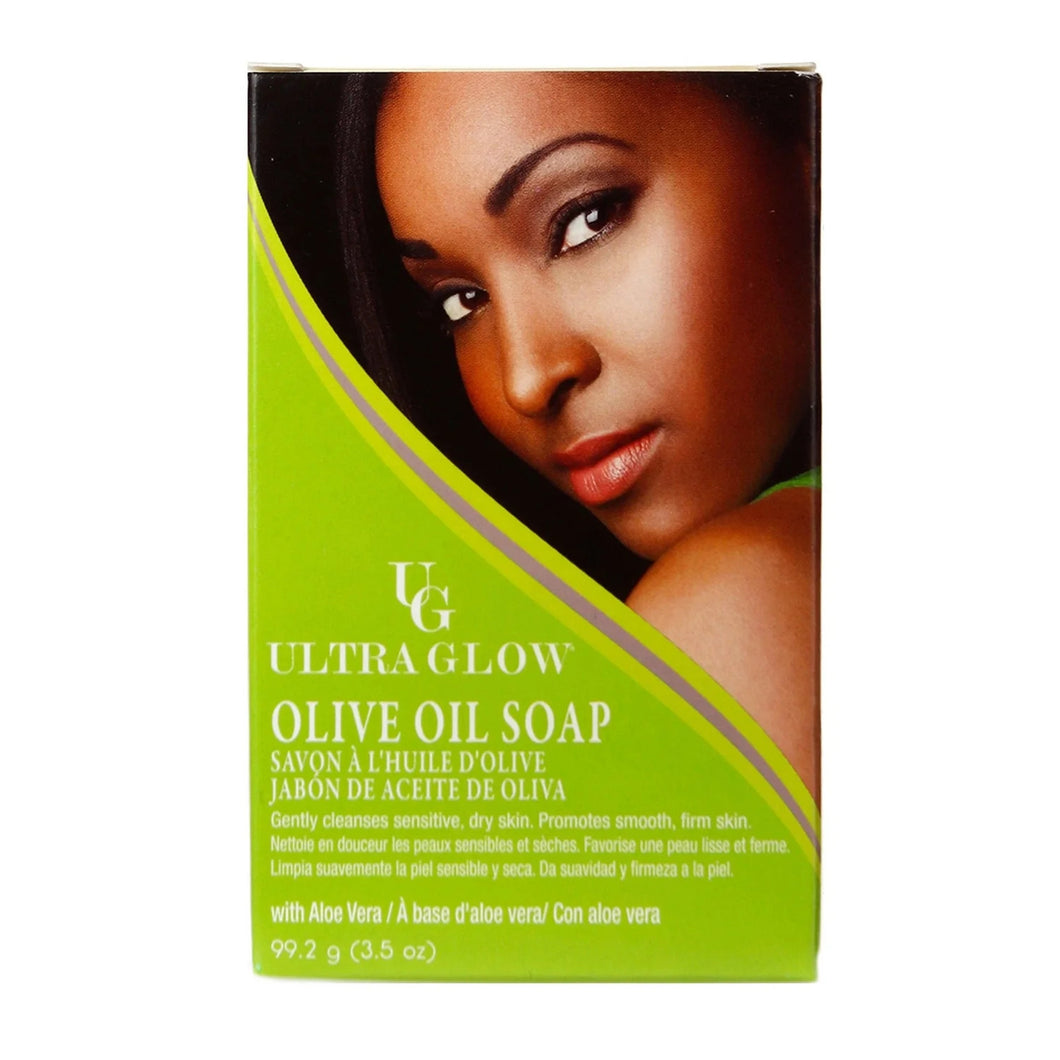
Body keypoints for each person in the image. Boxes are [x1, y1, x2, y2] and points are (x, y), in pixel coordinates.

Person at [337, 71, 820, 800]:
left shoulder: (742, 608)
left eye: (586, 220)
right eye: (462, 301)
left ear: (811, 150)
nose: (526, 379)